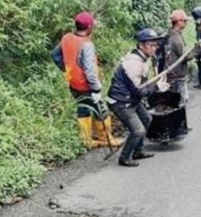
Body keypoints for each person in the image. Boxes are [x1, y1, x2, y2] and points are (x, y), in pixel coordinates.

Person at [52, 11, 123, 149]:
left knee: (83, 107)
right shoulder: (87, 45)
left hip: (73, 82)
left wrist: (66, 69)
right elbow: (90, 72)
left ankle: (86, 140)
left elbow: (55, 55)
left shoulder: (67, 37)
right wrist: (96, 89)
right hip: (86, 86)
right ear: (89, 27)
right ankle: (106, 137)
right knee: (100, 109)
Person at [107, 28, 170, 167]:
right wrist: (157, 88)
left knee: (148, 119)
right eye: (151, 45)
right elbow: (139, 91)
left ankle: (138, 151)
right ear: (141, 45)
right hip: (121, 101)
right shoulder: (133, 63)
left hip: (131, 98)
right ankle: (124, 158)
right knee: (138, 130)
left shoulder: (143, 57)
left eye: (155, 44)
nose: (154, 48)